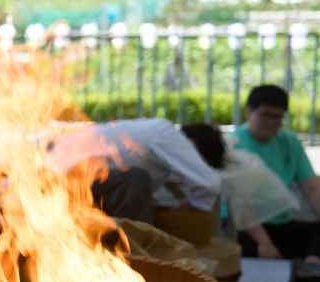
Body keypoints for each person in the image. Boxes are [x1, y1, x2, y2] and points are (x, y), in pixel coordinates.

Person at [47, 118, 223, 224]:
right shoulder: (167, 133)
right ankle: (137, 262)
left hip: (55, 173)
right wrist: (194, 206)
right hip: (53, 180)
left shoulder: (150, 137)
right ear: (194, 146)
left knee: (139, 185)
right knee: (137, 180)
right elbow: (211, 183)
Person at [231, 85, 320, 267]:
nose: (272, 122)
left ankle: (312, 264)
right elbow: (239, 203)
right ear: (249, 112)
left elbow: (312, 187)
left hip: (284, 221)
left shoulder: (289, 141)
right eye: (266, 115)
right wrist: (265, 243)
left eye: (278, 117)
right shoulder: (233, 144)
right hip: (247, 226)